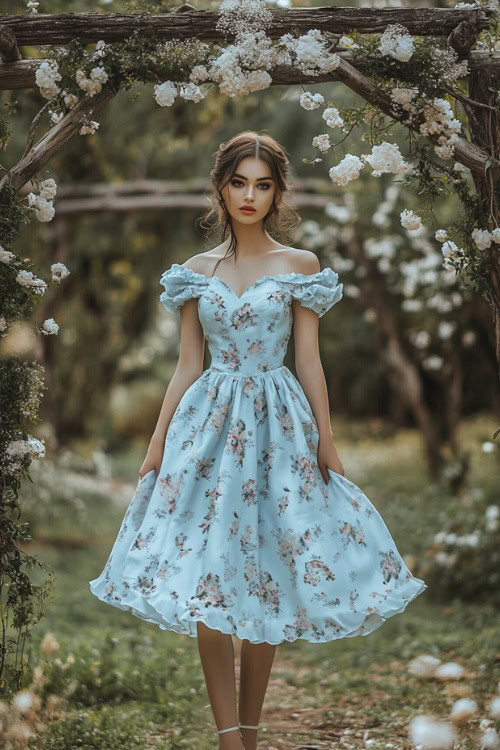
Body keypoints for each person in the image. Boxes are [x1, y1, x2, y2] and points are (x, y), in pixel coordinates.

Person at [89, 130, 427, 750]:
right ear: (221, 187)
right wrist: (158, 442)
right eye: (239, 182)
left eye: (263, 184)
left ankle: (251, 729)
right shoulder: (195, 274)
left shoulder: (299, 267)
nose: (250, 195)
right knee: (210, 576)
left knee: (267, 569)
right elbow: (188, 365)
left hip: (278, 427)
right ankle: (227, 738)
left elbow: (309, 361)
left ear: (277, 193)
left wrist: (326, 439)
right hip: (208, 429)